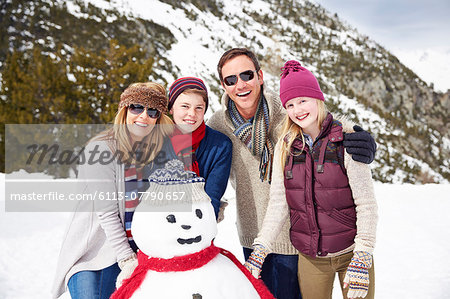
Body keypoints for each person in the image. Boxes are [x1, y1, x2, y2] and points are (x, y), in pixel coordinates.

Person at [207, 48, 377, 299]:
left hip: (300, 241)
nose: (240, 84)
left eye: (246, 75)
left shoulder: (286, 114)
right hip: (255, 238)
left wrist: (363, 141)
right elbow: (201, 162)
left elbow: (325, 125)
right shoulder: (219, 126)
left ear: (260, 76)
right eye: (231, 79)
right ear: (223, 85)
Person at [52, 82, 177, 299]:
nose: (143, 116)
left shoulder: (155, 152)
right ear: (124, 110)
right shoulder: (102, 149)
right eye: (136, 107)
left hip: (134, 252)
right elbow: (108, 213)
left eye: (152, 111)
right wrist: (127, 260)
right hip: (93, 252)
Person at [167, 77, 232, 219]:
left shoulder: (220, 145)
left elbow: (212, 198)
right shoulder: (156, 139)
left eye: (199, 108)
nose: (192, 113)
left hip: (200, 226)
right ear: (171, 108)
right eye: (185, 106)